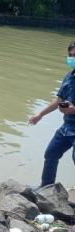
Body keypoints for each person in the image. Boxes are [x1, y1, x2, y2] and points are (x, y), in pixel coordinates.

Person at [29, 41, 75, 187]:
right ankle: (47, 188)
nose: (72, 58)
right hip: (67, 127)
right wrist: (40, 115)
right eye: (71, 55)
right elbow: (58, 100)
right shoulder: (69, 76)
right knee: (51, 154)